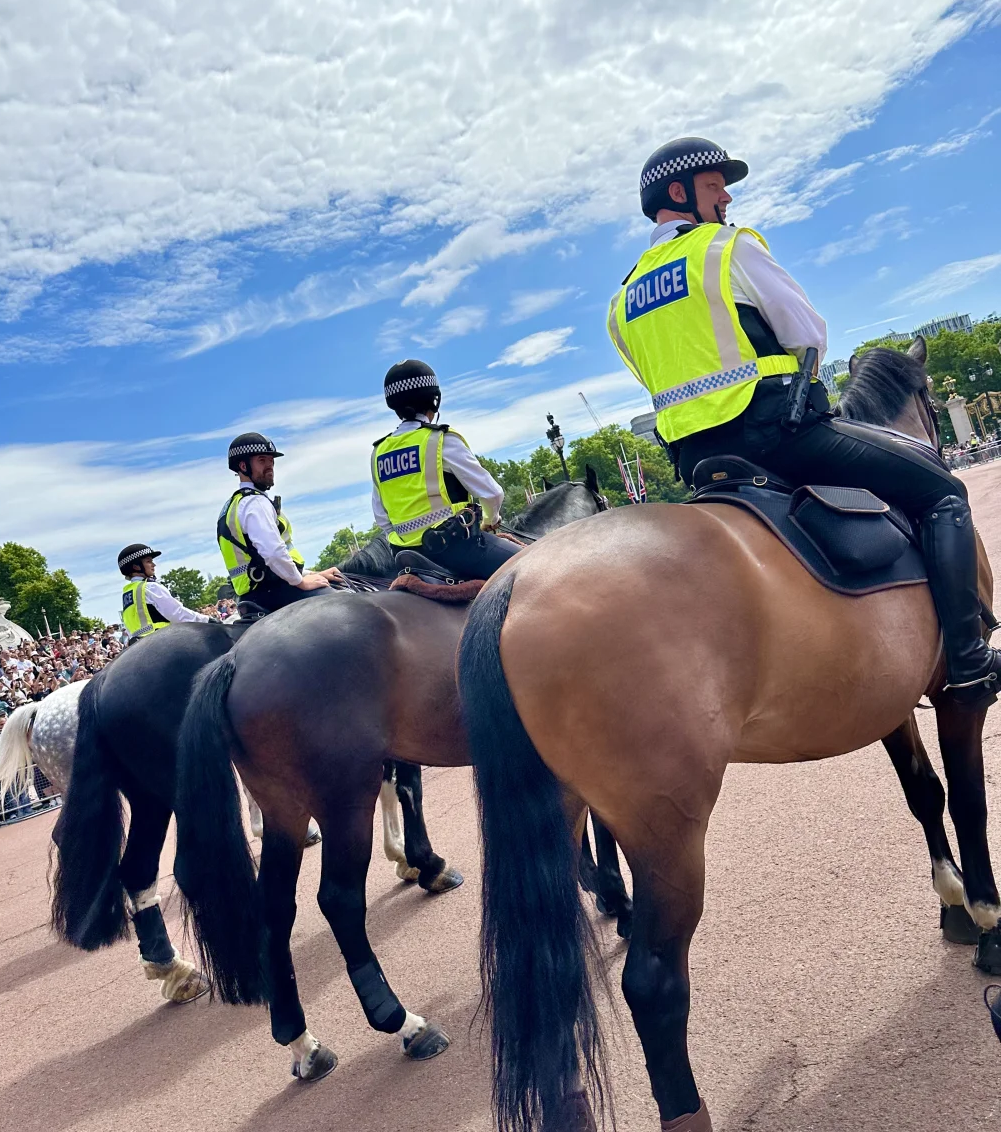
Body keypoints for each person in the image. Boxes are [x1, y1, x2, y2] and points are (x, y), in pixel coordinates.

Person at [607, 135, 1001, 705]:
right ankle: (967, 659)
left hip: (697, 463)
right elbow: (807, 332)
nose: (725, 199)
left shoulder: (622, 300)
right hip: (780, 437)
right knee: (944, 493)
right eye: (715, 186)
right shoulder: (725, 248)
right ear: (679, 192)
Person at [371, 359, 523, 581]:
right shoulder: (439, 439)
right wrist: (490, 520)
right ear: (434, 399)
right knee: (536, 565)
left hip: (406, 556)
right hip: (456, 548)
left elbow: (382, 518)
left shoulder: (379, 452)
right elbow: (492, 494)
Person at [217, 433, 343, 620]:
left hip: (251, 596)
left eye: (271, 461)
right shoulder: (255, 503)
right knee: (346, 606)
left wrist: (312, 574)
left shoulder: (233, 505)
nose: (270, 466)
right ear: (243, 466)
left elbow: (260, 561)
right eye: (262, 460)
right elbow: (274, 553)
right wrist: (301, 582)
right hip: (276, 592)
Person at [117, 545, 213, 641]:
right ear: (136, 566)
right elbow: (177, 613)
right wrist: (207, 620)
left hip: (137, 644)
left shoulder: (127, 593)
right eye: (148, 561)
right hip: (163, 639)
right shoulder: (150, 587)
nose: (153, 565)